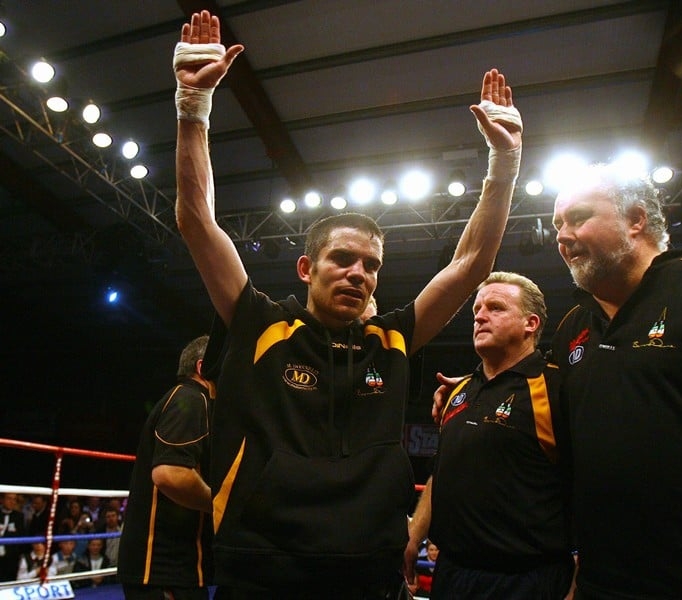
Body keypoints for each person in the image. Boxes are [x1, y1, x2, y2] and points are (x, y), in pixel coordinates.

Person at [172, 9, 522, 597]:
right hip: (262, 568)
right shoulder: (259, 320)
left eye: (372, 265)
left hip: (370, 568)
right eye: (343, 259)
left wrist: (504, 164)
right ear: (306, 268)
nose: (359, 273)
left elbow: (470, 265)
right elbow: (196, 220)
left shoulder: (392, 338)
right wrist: (192, 108)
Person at [434, 163, 682, 598]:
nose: (562, 236)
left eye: (578, 217)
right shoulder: (574, 327)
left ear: (636, 219)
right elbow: (533, 385)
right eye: (557, 224)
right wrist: (475, 386)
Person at [405, 272, 574, 599]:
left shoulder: (557, 389)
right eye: (477, 310)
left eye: (495, 308)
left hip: (526, 581)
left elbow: (592, 485)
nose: (480, 316)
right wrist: (414, 535)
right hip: (452, 575)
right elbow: (443, 471)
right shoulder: (459, 392)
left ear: (530, 324)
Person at [117, 335, 216, 600]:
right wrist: (221, 505)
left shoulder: (191, 400)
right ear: (203, 367)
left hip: (172, 568)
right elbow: (170, 474)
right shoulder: (190, 399)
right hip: (163, 570)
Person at [0, 492, 25, 582]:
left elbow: (22, 536)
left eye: (14, 499)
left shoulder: (19, 516)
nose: (12, 502)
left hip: (11, 557)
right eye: (9, 498)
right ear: (2, 500)